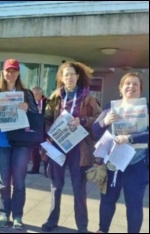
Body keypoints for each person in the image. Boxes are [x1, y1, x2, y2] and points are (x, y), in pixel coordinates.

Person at [41, 61, 101, 233]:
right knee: (56, 186)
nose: (69, 77)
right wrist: (49, 133)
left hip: (79, 149)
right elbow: (46, 119)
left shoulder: (88, 97)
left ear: (78, 76)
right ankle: (52, 221)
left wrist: (82, 121)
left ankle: (82, 225)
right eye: (65, 74)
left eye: (72, 74)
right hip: (58, 146)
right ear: (62, 78)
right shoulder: (54, 96)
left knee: (78, 188)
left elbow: (98, 118)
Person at [92, 72, 149, 233]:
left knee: (134, 204)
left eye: (135, 84)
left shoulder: (146, 109)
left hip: (137, 164)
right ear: (121, 88)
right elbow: (94, 131)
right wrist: (105, 121)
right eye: (127, 84)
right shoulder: (111, 108)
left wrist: (130, 138)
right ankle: (103, 229)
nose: (131, 87)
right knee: (108, 200)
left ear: (141, 89)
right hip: (114, 163)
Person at [0, 59, 39, 229]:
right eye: (7, 71)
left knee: (19, 181)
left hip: (21, 143)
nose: (10, 74)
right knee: (3, 182)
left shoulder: (26, 93)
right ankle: (4, 214)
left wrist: (28, 108)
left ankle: (17, 215)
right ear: (3, 73)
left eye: (14, 71)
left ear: (18, 73)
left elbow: (36, 114)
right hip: (1, 141)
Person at [27, 86, 48, 175]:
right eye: (32, 94)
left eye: (35, 94)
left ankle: (47, 170)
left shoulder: (47, 102)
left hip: (44, 128)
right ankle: (35, 168)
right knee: (34, 149)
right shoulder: (29, 103)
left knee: (46, 149)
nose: (34, 96)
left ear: (41, 94)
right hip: (34, 129)